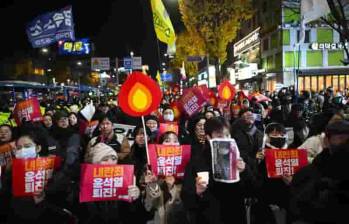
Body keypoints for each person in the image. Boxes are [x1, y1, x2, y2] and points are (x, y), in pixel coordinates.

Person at [181, 118, 251, 224]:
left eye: (227, 135)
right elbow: (186, 199)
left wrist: (244, 171)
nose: (225, 139)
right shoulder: (197, 161)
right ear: (209, 137)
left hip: (235, 215)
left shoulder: (239, 157)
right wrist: (197, 192)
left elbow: (253, 189)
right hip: (209, 217)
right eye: (219, 136)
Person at [1, 133, 74, 223]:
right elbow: (6, 195)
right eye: (19, 148)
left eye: (27, 146)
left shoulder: (51, 165)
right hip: (18, 214)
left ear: (38, 148)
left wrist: (46, 191)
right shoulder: (12, 168)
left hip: (45, 212)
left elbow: (62, 191)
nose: (23, 150)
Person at [289, 120, 349, 223]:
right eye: (341, 139)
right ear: (326, 140)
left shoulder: (311, 171)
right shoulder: (309, 172)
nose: (345, 144)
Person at [81, 143, 140, 224]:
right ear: (95, 163)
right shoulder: (83, 184)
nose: (111, 162)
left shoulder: (124, 181)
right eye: (105, 159)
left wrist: (134, 198)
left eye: (114, 158)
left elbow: (132, 215)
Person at [144, 131, 188, 224]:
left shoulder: (187, 167)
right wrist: (153, 185)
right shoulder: (150, 168)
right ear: (160, 144)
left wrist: (171, 188)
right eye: (167, 141)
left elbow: (183, 206)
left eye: (175, 141)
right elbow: (149, 206)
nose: (172, 144)